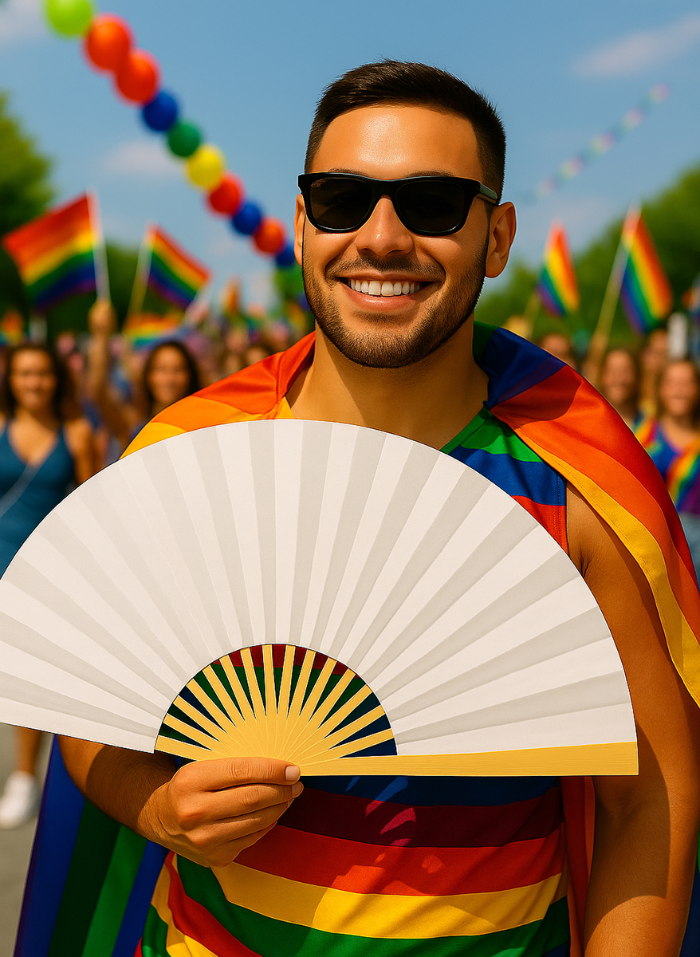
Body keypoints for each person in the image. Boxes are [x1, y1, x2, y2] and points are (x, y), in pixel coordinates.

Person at [17, 62, 700, 957]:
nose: (382, 237)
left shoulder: (577, 483)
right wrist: (158, 806)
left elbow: (650, 797)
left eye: (434, 204)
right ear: (302, 226)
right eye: (342, 200)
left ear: (497, 239)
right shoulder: (188, 455)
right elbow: (91, 728)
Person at [0, 343, 97, 829]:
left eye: (41, 373)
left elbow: (92, 506)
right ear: (11, 379)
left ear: (56, 378)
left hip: (42, 574)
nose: (33, 383)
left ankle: (23, 777)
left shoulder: (77, 434)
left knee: (25, 680)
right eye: (24, 374)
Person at [86, 299, 201, 453]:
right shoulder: (132, 422)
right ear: (148, 376)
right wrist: (101, 335)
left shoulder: (202, 425)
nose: (169, 379)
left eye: (178, 370)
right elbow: (98, 392)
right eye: (161, 370)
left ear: (190, 376)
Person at [637, 359, 700, 576]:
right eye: (672, 383)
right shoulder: (643, 437)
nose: (679, 390)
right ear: (661, 389)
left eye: (687, 383)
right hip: (655, 546)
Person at [598, 347, 643, 430]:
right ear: (601, 376)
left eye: (625, 371)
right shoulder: (589, 423)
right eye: (612, 371)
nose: (618, 378)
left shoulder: (651, 427)